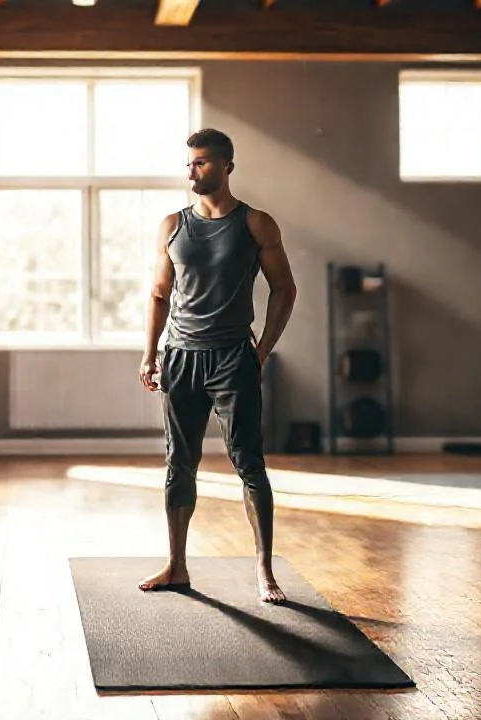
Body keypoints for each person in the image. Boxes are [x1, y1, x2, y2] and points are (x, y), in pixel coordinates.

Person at [136, 128, 297, 604]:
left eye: (202, 162)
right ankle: (177, 565)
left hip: (233, 357)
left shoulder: (256, 224)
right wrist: (150, 353)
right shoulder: (172, 225)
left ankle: (264, 571)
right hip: (181, 355)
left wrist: (262, 350)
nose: (193, 170)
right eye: (189, 163)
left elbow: (284, 289)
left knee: (249, 463)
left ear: (227, 166)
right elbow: (160, 294)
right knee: (177, 464)